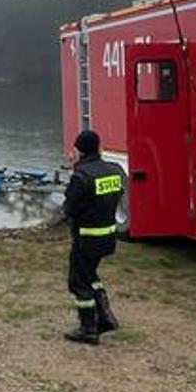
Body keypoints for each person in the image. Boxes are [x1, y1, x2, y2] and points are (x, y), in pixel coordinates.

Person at [61, 129, 125, 345]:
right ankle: (105, 317)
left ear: (80, 150)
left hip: (86, 238)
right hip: (108, 235)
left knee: (77, 281)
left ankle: (88, 328)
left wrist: (74, 174)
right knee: (90, 275)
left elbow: (69, 209)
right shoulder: (113, 170)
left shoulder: (81, 176)